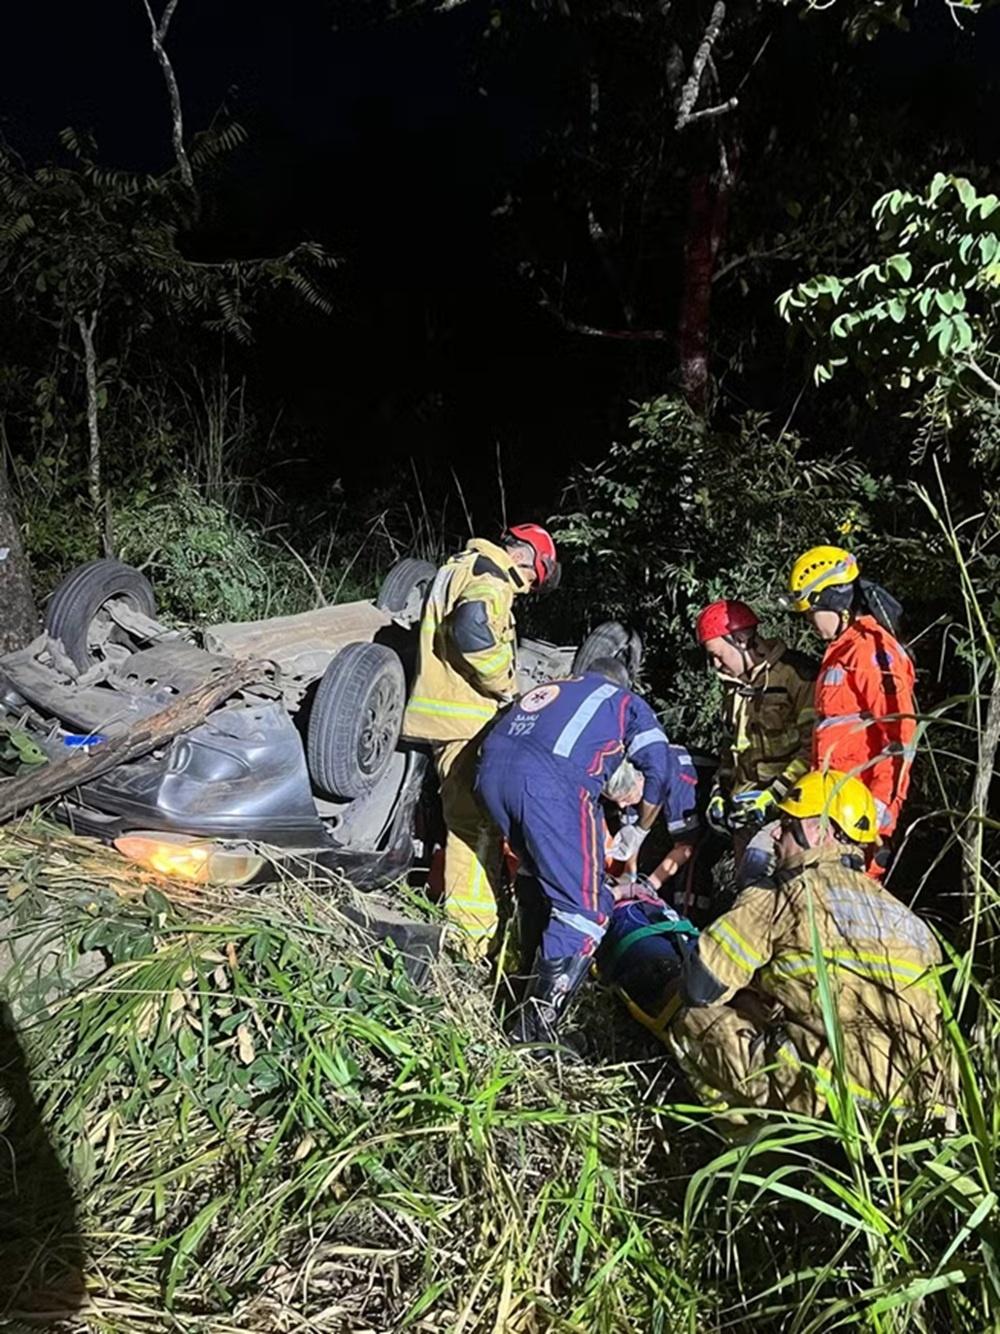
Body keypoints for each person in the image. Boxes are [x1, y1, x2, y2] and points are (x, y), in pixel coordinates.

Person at [664, 770, 951, 1122]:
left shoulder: (780, 894)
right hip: (924, 1106)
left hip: (836, 1097)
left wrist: (750, 999)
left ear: (817, 829)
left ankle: (752, 1153)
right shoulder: (909, 921)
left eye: (787, 823)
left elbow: (700, 986)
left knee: (692, 1020)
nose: (777, 835)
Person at [475, 657, 698, 1043]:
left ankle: (518, 993)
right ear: (623, 684)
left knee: (538, 878)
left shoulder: (553, 691)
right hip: (549, 785)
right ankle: (533, 1034)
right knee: (585, 908)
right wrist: (641, 830)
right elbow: (658, 773)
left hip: (489, 775)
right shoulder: (625, 703)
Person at [401, 524, 560, 955]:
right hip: (465, 720)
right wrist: (506, 685)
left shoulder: (460, 565)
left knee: (466, 823)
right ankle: (471, 939)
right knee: (476, 829)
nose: (526, 588)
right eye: (532, 580)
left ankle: (468, 927)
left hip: (446, 719)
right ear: (529, 561)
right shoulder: (492, 577)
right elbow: (472, 629)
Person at [785, 546, 916, 861]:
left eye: (810, 613)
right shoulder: (841, 652)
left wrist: (880, 822)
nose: (809, 624)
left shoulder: (871, 651)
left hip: (854, 821)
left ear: (833, 602)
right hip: (827, 813)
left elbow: (900, 739)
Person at [695, 598, 817, 888]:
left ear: (740, 640)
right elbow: (730, 748)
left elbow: (813, 748)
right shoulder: (732, 687)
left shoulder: (797, 676)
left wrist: (774, 795)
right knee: (747, 897)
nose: (715, 664)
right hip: (744, 814)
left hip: (788, 816)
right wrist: (719, 792)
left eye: (718, 654)